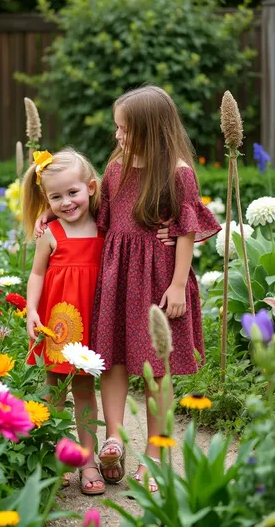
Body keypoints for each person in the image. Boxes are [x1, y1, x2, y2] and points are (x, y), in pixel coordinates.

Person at [92, 85, 221, 492]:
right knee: (110, 359)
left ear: (151, 129)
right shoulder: (116, 168)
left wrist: (180, 285)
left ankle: (155, 453)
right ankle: (113, 438)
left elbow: (185, 232)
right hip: (118, 278)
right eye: (117, 128)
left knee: (155, 368)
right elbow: (100, 216)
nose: (118, 136)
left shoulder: (178, 172)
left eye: (125, 130)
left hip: (159, 281)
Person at [23, 147, 106, 495]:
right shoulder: (51, 233)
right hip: (57, 323)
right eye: (56, 197)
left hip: (90, 321)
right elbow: (37, 274)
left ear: (90, 186)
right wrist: (31, 310)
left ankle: (87, 460)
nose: (66, 202)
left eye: (72, 192)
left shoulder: (105, 225)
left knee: (85, 391)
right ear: (46, 199)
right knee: (54, 392)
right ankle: (58, 457)